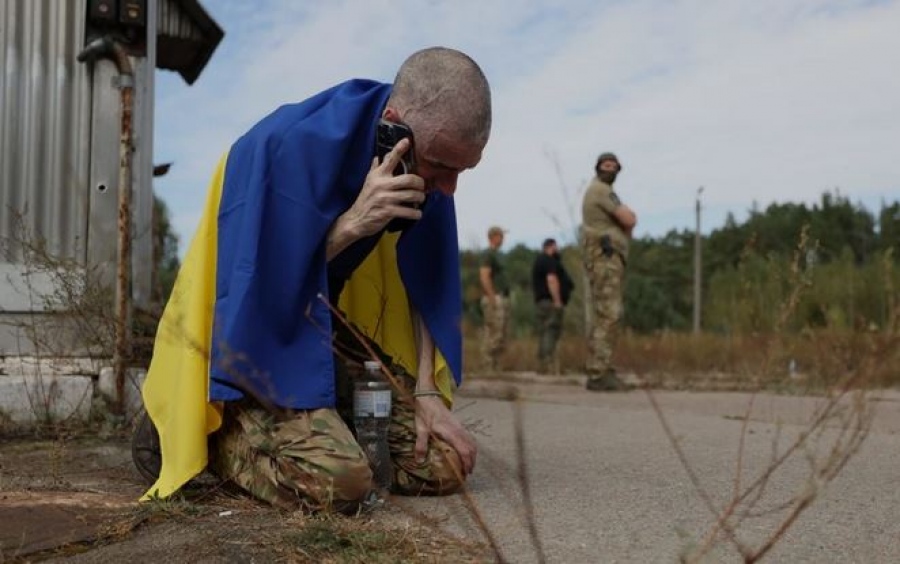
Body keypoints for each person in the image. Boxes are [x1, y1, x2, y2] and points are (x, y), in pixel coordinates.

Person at [135, 47, 492, 514]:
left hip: (318, 320)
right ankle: (201, 434)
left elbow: (427, 279)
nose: (448, 187)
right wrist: (353, 225)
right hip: (245, 335)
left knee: (443, 464)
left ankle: (321, 425)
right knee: (340, 483)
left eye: (462, 170)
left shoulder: (421, 161)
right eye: (443, 166)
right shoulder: (285, 145)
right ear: (395, 124)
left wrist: (425, 390)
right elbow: (255, 287)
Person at [580, 152, 636, 391]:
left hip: (607, 260)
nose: (609, 169)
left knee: (606, 313)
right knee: (609, 314)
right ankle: (598, 372)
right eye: (605, 165)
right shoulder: (601, 190)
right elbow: (629, 219)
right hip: (605, 259)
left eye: (614, 166)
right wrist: (626, 222)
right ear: (598, 168)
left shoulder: (601, 190)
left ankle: (600, 367)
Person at [531, 238, 574, 374]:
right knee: (551, 330)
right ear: (551, 247)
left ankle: (544, 365)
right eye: (556, 247)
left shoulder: (539, 260)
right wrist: (557, 301)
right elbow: (552, 279)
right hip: (550, 301)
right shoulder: (548, 261)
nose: (558, 250)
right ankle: (548, 364)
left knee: (545, 332)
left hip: (542, 302)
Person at [478, 225, 510, 371]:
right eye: (501, 236)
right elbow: (484, 275)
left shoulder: (498, 254)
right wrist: (492, 297)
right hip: (493, 297)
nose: (503, 239)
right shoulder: (488, 254)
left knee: (500, 334)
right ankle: (487, 366)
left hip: (501, 296)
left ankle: (495, 367)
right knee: (493, 332)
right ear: (494, 236)